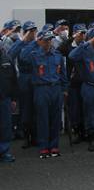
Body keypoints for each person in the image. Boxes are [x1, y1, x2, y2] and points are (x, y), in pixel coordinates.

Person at [22, 30, 68, 159]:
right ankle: (43, 147)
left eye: (50, 40)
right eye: (46, 40)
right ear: (40, 40)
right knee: (42, 119)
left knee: (55, 119)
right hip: (41, 89)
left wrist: (65, 89)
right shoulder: (34, 54)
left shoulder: (57, 55)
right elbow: (22, 57)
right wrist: (34, 43)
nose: (48, 42)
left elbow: (63, 74)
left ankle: (54, 146)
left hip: (56, 89)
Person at [57, 23, 87, 143]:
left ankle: (86, 131)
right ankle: (77, 131)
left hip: (85, 82)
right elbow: (59, 50)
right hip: (73, 82)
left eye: (84, 33)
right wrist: (72, 38)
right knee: (74, 109)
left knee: (85, 108)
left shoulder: (86, 45)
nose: (83, 36)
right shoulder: (68, 46)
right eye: (80, 33)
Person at [0, 44, 18, 163]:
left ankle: (4, 152)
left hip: (5, 99)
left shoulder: (7, 59)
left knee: (5, 127)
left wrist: (14, 99)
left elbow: (14, 80)